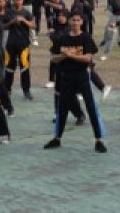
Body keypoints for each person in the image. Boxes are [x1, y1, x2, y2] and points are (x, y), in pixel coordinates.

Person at [44, 11, 107, 153]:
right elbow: (53, 58)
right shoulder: (62, 38)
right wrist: (63, 55)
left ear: (82, 22)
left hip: (82, 77)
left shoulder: (86, 38)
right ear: (69, 21)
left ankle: (99, 140)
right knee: (62, 109)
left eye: (78, 20)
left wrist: (71, 55)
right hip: (66, 77)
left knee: (91, 108)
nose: (75, 23)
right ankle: (57, 138)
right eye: (73, 20)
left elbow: (88, 59)